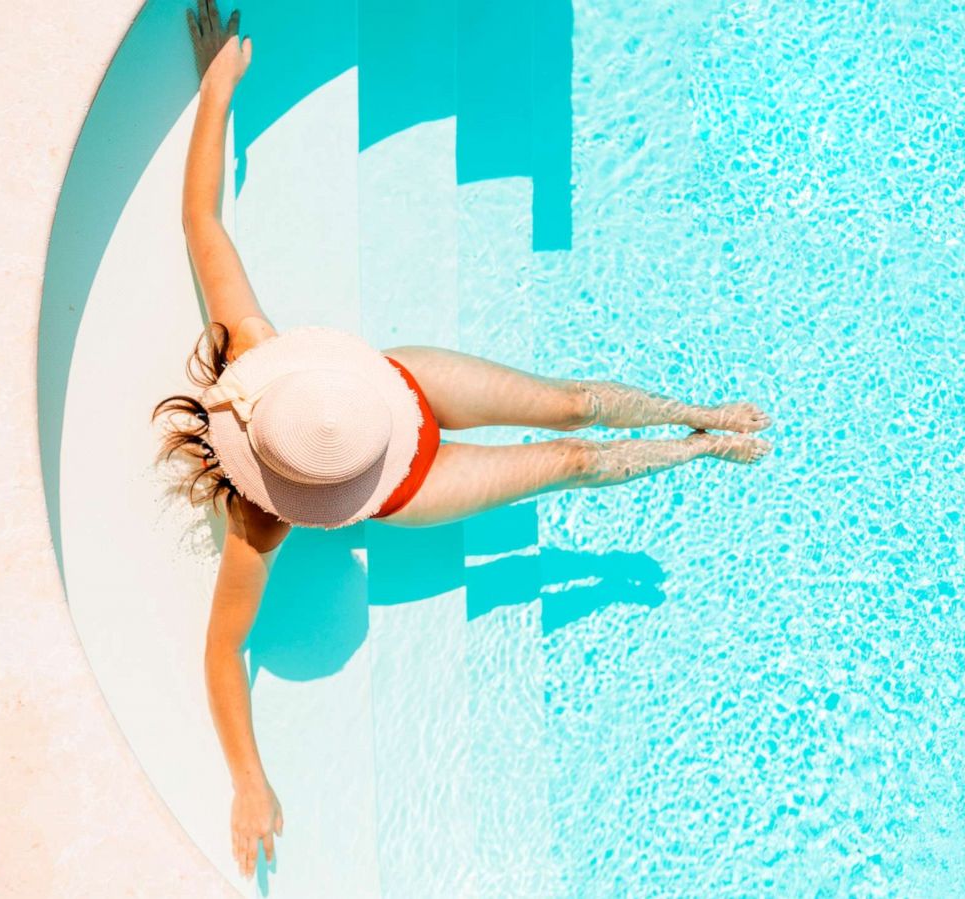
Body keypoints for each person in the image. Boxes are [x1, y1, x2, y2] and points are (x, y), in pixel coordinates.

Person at [156, 1, 772, 879]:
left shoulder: (257, 362)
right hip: (418, 484)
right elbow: (223, 648)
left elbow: (202, 223)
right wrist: (248, 781)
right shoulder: (259, 527)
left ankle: (702, 410)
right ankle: (701, 448)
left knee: (570, 404)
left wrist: (218, 90)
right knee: (573, 463)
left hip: (405, 387)